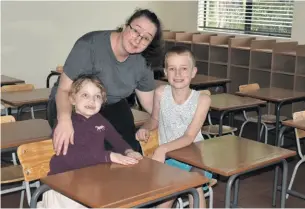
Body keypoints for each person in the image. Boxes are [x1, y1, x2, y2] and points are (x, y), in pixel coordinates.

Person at [47, 8, 163, 155]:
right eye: (136, 31)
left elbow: (149, 103)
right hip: (72, 102)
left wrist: (174, 117)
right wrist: (64, 120)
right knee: (84, 149)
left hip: (111, 104)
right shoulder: (89, 45)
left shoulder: (143, 61)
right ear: (126, 26)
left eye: (146, 38)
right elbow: (63, 90)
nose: (138, 40)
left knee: (129, 148)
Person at [38, 74, 143, 208]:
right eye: (85, 95)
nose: (92, 101)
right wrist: (109, 156)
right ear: (72, 99)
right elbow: (72, 157)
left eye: (97, 97)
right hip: (60, 187)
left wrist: (128, 151)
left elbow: (116, 140)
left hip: (88, 182)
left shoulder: (99, 120)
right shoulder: (66, 125)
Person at [136, 46, 211, 208]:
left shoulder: (202, 100)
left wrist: (162, 149)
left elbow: (190, 136)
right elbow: (154, 119)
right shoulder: (161, 93)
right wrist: (145, 128)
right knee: (165, 195)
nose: (178, 74)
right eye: (172, 69)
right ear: (165, 72)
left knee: (195, 185)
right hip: (169, 159)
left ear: (193, 72)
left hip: (195, 158)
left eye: (184, 69)